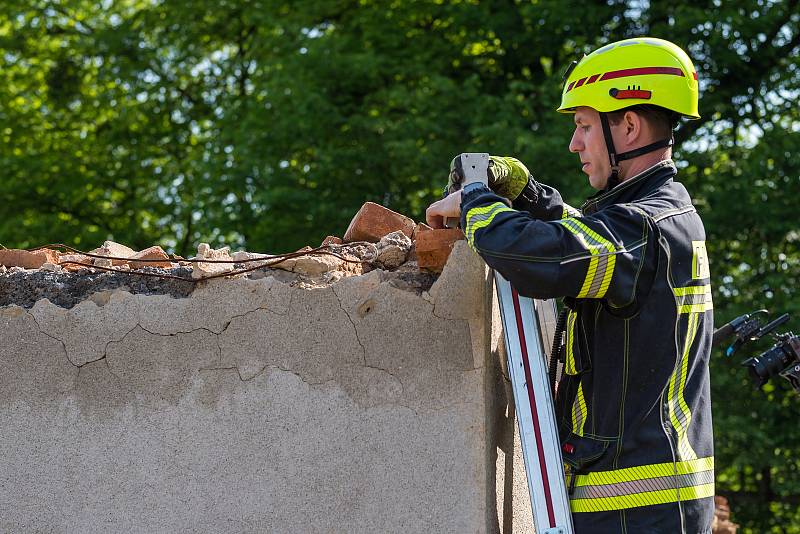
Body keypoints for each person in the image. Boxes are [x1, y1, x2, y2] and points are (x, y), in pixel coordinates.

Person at [426, 37, 715, 533]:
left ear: (627, 124)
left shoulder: (644, 229)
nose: (574, 144)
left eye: (584, 125)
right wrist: (529, 196)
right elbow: (584, 242)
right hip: (650, 511)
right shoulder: (661, 217)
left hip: (637, 515)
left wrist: (475, 201)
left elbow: (544, 258)